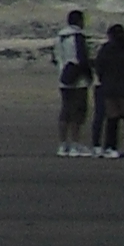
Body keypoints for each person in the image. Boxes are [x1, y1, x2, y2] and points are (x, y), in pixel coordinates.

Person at [94, 24, 124, 160]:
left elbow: (99, 67)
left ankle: (111, 148)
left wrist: (104, 81)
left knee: (112, 120)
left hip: (110, 88)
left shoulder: (106, 49)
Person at [56, 10, 96, 156]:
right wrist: (89, 76)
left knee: (65, 111)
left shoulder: (59, 36)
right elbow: (82, 58)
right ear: (79, 21)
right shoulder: (78, 36)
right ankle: (75, 144)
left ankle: (63, 144)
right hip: (78, 80)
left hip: (63, 78)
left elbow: (56, 58)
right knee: (77, 112)